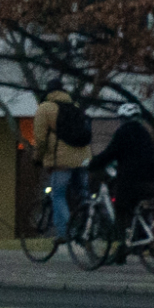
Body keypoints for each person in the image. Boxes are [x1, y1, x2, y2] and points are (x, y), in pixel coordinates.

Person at [93, 104, 154, 258]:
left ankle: (122, 246)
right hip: (150, 180)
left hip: (131, 181)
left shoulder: (123, 133)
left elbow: (110, 153)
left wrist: (93, 163)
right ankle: (138, 241)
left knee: (122, 209)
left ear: (123, 119)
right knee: (138, 210)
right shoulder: (145, 133)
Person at [31, 86, 91, 237]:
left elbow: (41, 139)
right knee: (83, 194)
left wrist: (37, 158)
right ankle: (87, 227)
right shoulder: (76, 106)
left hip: (61, 161)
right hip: (83, 159)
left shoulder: (44, 109)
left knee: (58, 195)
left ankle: (66, 232)